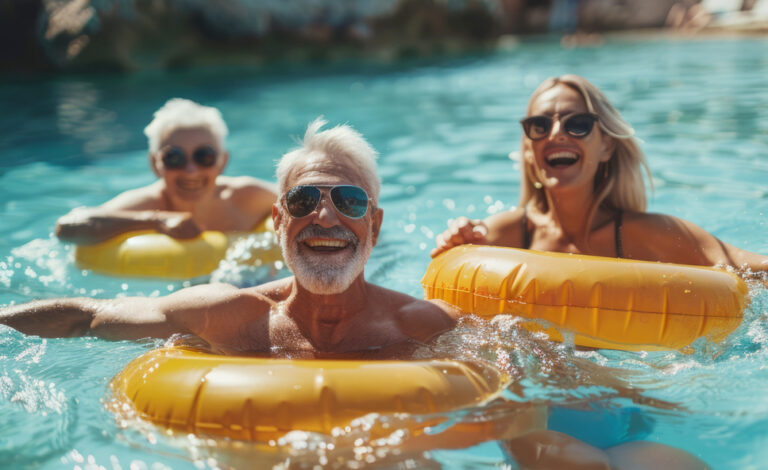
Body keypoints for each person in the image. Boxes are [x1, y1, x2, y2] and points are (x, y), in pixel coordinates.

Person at [1, 119, 708, 469]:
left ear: (374, 225)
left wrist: (655, 395)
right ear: (278, 223)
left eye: (348, 200)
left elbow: (528, 358)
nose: (325, 217)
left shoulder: (419, 324)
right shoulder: (227, 316)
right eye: (304, 200)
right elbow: (89, 314)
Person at [432, 74, 768, 279]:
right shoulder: (505, 235)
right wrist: (457, 243)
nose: (557, 133)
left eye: (578, 124)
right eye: (540, 125)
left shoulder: (645, 235)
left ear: (606, 146)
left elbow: (751, 269)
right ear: (528, 151)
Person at [55, 98, 277, 245]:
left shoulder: (247, 198)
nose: (190, 170)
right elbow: (67, 227)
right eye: (174, 158)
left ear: (222, 161)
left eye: (204, 156)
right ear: (155, 163)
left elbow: (295, 199)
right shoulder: (147, 204)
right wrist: (157, 220)